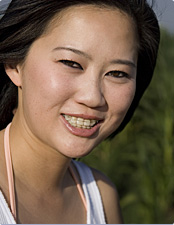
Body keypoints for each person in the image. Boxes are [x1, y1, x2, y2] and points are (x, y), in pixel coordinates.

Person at [0, 0, 160, 224]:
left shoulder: (103, 198)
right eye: (71, 63)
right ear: (14, 64)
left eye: (117, 73)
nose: (93, 97)